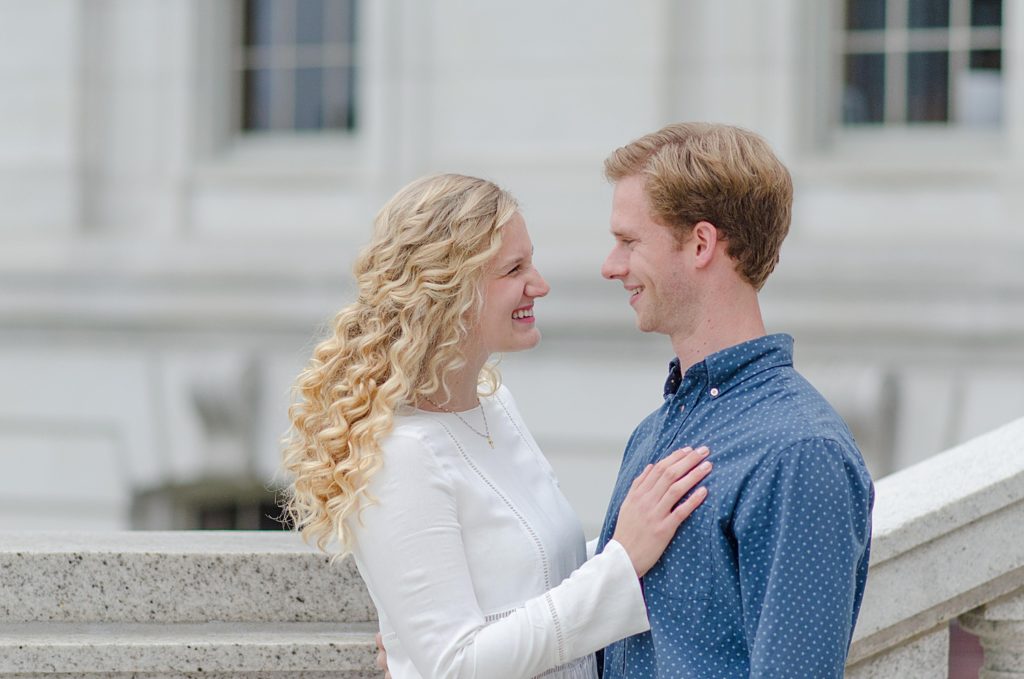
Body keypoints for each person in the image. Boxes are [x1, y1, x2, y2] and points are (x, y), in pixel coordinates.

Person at [281, 173, 713, 679]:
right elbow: (456, 666)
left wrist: (645, 536)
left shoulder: (496, 407)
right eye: (514, 269)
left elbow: (539, 577)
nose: (541, 284)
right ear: (447, 290)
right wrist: (621, 561)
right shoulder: (402, 454)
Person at [595, 122, 874, 678]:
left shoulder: (800, 451)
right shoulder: (654, 431)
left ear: (700, 244)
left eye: (629, 242)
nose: (611, 265)